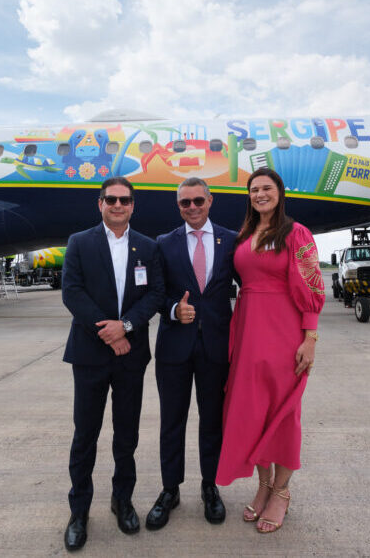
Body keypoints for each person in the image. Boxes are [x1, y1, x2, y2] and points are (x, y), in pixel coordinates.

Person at [215, 167, 325, 534]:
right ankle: (262, 485)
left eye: (266, 188)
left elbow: (312, 285)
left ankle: (282, 491)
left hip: (284, 332)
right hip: (247, 331)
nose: (260, 194)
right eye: (254, 190)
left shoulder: (296, 233)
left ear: (279, 192)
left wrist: (310, 339)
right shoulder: (245, 234)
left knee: (284, 412)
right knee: (253, 411)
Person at [60, 176, 164, 551]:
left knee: (126, 435)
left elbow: (155, 293)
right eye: (111, 199)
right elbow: (71, 291)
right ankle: (79, 510)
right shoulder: (80, 242)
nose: (118, 205)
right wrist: (108, 330)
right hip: (90, 353)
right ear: (99, 203)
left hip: (130, 356)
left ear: (133, 206)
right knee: (84, 435)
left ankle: (123, 500)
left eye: (124, 200)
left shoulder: (147, 247)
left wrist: (128, 327)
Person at [146, 177, 238, 530]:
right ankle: (170, 490)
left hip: (216, 346)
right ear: (178, 206)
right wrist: (173, 310)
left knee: (212, 422)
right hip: (174, 347)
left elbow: (256, 286)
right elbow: (156, 293)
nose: (193, 207)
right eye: (185, 203)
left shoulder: (230, 240)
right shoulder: (163, 243)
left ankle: (210, 487)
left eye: (199, 200)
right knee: (172, 422)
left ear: (210, 201)